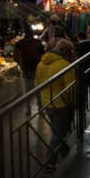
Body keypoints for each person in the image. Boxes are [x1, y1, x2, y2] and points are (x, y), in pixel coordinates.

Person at [35, 39, 77, 168]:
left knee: (57, 130)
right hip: (61, 103)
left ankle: (64, 151)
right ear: (64, 51)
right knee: (59, 132)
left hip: (47, 102)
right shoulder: (64, 65)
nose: (71, 54)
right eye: (70, 51)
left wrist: (40, 102)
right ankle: (50, 161)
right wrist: (73, 102)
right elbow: (71, 87)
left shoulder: (42, 63)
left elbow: (37, 83)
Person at [12, 23, 44, 93]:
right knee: (38, 88)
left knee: (27, 88)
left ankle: (28, 103)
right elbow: (43, 54)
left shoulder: (19, 43)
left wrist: (20, 64)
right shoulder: (38, 42)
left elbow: (15, 57)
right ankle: (39, 102)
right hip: (37, 67)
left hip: (26, 67)